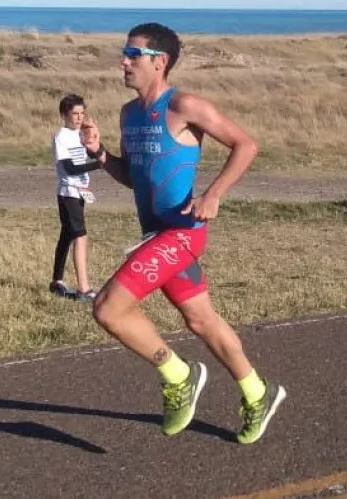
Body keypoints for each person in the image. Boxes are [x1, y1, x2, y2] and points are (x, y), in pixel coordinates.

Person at [78, 22, 286, 444]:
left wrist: (213, 194)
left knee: (107, 309)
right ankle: (257, 392)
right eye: (125, 52)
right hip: (155, 235)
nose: (124, 60)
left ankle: (179, 376)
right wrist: (99, 154)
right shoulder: (129, 113)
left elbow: (245, 145)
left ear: (160, 62)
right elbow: (135, 178)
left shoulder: (185, 105)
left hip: (183, 233)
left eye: (132, 54)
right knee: (201, 320)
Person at [50, 93, 101, 301]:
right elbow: (69, 167)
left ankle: (56, 281)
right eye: (75, 114)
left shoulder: (80, 133)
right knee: (80, 236)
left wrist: (94, 140)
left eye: (82, 113)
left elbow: (88, 153)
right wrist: (100, 164)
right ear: (64, 114)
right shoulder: (60, 136)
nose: (79, 118)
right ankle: (83, 289)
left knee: (67, 235)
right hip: (68, 192)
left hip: (81, 191)